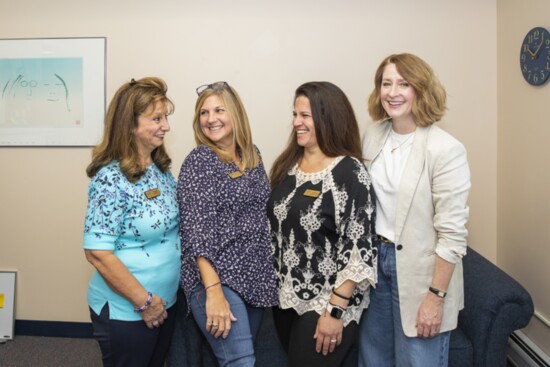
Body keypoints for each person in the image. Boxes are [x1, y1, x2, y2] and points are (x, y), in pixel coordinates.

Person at [358, 53, 471, 367]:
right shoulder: (373, 137)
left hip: (422, 275)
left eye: (404, 84)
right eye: (386, 83)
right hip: (376, 267)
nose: (393, 92)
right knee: (373, 359)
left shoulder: (445, 149)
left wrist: (435, 297)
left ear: (421, 89)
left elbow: (452, 234)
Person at [267, 81, 377, 367]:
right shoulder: (287, 166)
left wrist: (336, 312)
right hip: (286, 299)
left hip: (326, 305)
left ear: (328, 119)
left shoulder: (349, 173)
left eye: (305, 116)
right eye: (295, 115)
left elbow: (358, 248)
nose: (296, 123)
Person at [177, 81, 278, 367]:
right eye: (204, 113)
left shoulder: (252, 155)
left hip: (254, 275)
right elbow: (196, 232)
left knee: (237, 358)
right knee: (240, 362)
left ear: (235, 114)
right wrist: (214, 292)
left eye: (219, 110)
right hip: (216, 276)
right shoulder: (200, 161)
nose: (211, 119)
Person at [83, 77, 180, 367]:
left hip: (165, 302)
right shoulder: (110, 179)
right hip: (130, 310)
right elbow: (97, 253)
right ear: (130, 124)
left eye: (166, 117)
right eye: (156, 118)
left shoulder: (160, 170)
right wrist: (145, 302)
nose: (166, 126)